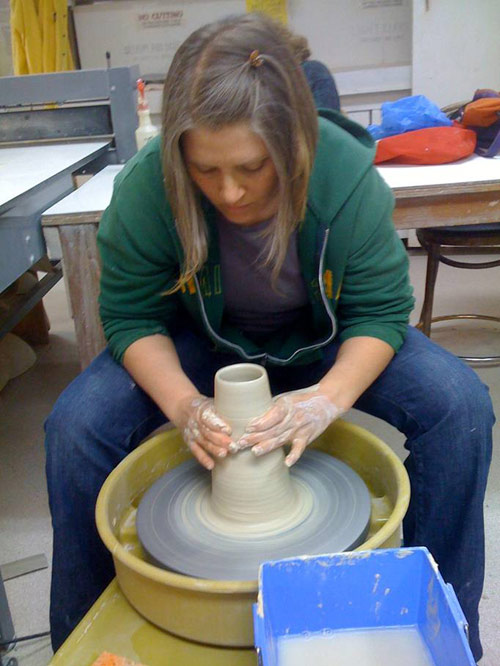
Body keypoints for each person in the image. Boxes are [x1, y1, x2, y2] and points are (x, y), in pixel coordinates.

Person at [44, 13, 493, 660]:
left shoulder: (343, 177)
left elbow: (381, 314)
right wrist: (185, 406)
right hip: (207, 340)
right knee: (76, 426)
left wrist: (327, 399)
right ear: (179, 154)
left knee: (460, 407)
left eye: (252, 167)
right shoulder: (149, 188)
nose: (229, 192)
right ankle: (85, 646)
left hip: (325, 334)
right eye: (205, 170)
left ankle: (439, 631)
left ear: (294, 144)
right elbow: (131, 318)